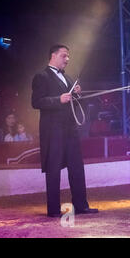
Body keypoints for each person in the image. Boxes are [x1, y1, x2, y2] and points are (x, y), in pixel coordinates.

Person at [31, 44, 98, 218]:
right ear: (53, 56)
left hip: (70, 130)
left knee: (77, 167)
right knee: (54, 169)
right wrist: (58, 99)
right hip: (53, 131)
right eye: (64, 56)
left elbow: (72, 103)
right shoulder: (41, 76)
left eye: (68, 56)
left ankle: (81, 205)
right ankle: (53, 209)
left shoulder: (67, 78)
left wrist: (77, 94)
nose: (67, 59)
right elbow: (36, 102)